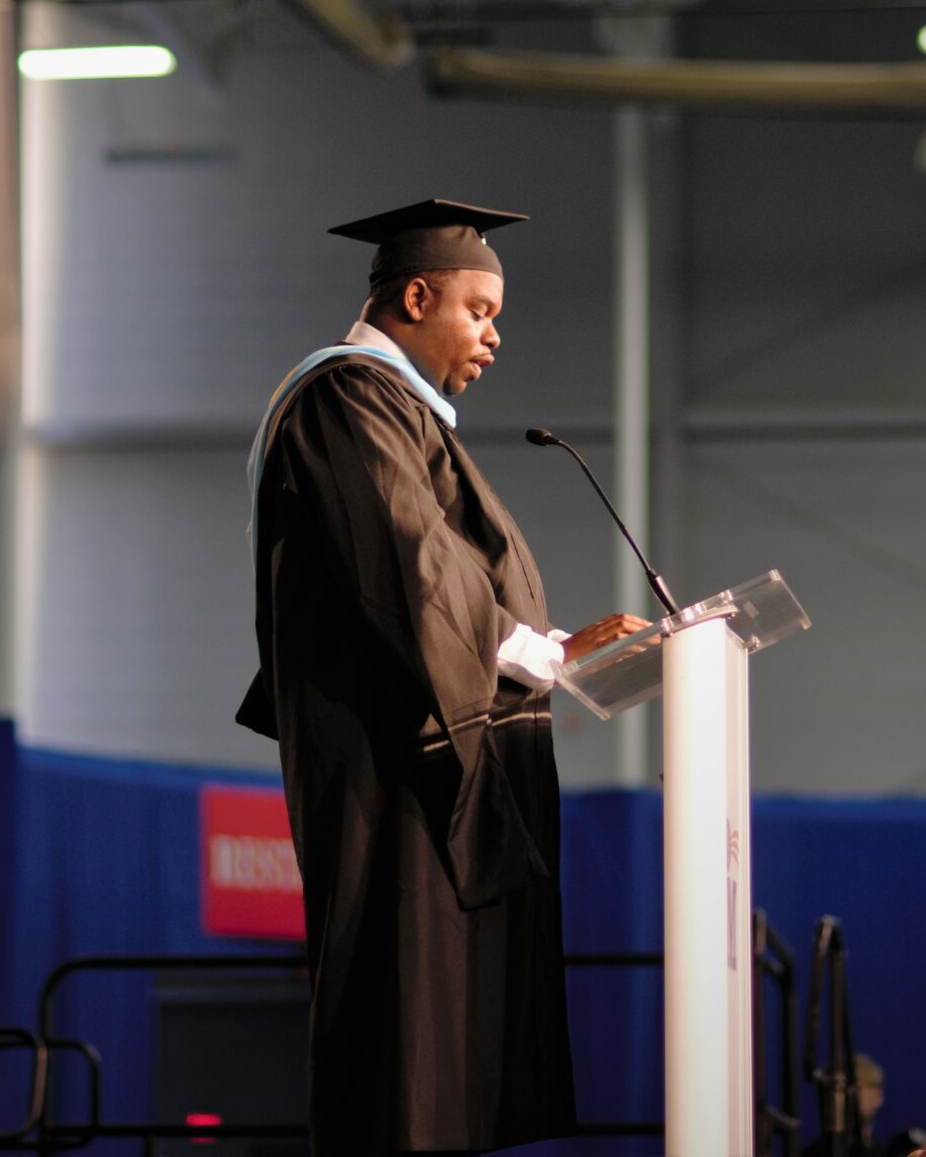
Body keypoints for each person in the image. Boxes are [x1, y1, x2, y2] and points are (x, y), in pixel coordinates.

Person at [237, 198, 646, 1156]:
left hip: (430, 765)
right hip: (395, 771)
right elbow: (410, 564)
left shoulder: (402, 414)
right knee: (399, 1036)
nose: (495, 336)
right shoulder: (344, 398)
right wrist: (546, 653)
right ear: (416, 296)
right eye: (480, 311)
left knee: (439, 1038)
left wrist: (542, 652)